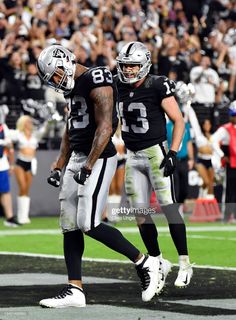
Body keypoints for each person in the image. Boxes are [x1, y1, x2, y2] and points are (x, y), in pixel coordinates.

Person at [36, 44, 160, 308]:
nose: (57, 82)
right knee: (68, 223)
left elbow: (106, 125)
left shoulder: (97, 76)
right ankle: (75, 289)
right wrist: (60, 163)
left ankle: (145, 262)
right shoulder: (72, 88)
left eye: (56, 74)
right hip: (78, 156)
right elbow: (72, 129)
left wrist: (89, 164)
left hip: (99, 156)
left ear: (66, 62)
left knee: (88, 222)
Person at [115, 41, 193, 293]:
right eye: (125, 66)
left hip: (155, 153)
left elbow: (178, 121)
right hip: (132, 155)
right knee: (140, 213)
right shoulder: (117, 86)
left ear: (145, 65)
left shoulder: (157, 84)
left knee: (169, 207)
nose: (128, 71)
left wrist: (173, 152)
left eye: (133, 66)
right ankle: (157, 261)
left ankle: (184, 262)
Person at [9, 115, 49, 224]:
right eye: (27, 121)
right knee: (22, 187)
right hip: (20, 162)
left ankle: (24, 216)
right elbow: (8, 136)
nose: (29, 123)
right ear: (23, 123)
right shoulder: (18, 133)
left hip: (31, 162)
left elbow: (45, 128)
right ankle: (21, 216)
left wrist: (49, 120)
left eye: (30, 121)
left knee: (26, 189)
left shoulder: (35, 135)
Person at [211, 101, 236, 222]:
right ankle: (227, 216)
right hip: (231, 163)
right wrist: (221, 155)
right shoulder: (225, 129)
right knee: (229, 190)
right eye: (233, 115)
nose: (234, 117)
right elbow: (213, 140)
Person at [0, 105, 20, 227]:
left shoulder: (4, 128)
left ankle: (10, 217)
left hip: (2, 164)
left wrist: (12, 165)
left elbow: (10, 146)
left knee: (5, 191)